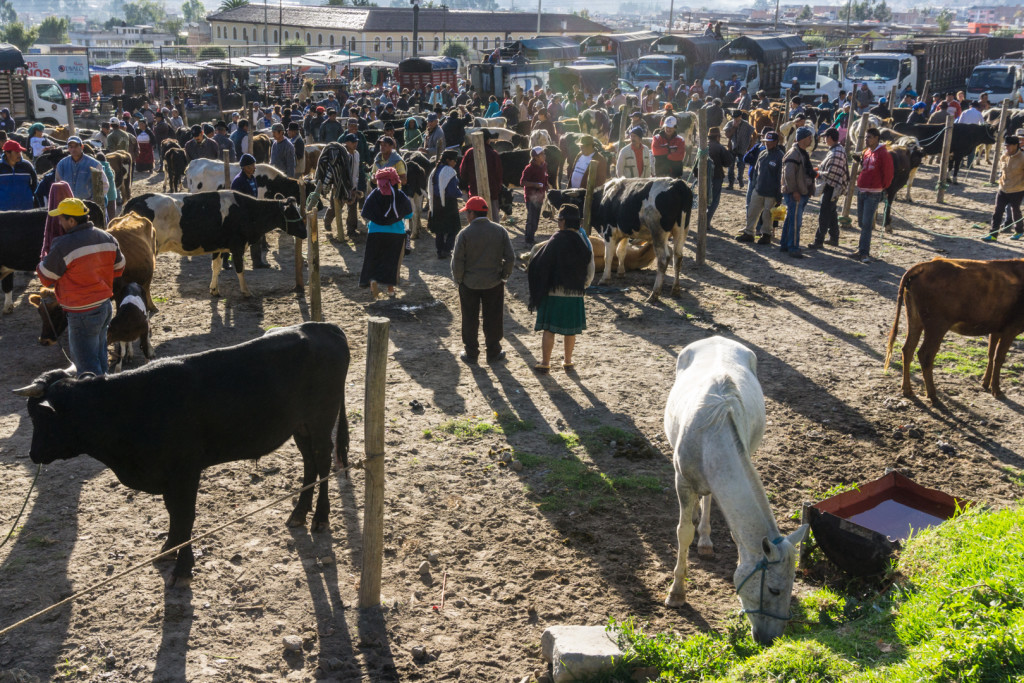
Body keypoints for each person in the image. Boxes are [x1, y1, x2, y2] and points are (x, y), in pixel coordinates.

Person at [36, 198, 125, 376]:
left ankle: (94, 401)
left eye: (61, 219)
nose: (59, 222)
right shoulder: (107, 237)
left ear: (72, 221)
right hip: (104, 306)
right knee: (100, 357)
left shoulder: (63, 245)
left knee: (86, 366)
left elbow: (46, 277)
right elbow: (120, 268)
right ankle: (105, 393)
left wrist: (42, 262)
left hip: (81, 312)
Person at [527, 204, 594, 374]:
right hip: (575, 294)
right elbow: (590, 268)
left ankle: (545, 362)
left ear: (564, 221)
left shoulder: (556, 240)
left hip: (554, 293)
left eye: (559, 220)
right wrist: (581, 287)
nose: (558, 223)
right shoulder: (584, 241)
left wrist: (542, 285)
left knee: (549, 328)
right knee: (570, 330)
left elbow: (540, 263)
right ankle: (568, 361)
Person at [450, 195, 514, 365]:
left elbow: (457, 261)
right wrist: (504, 276)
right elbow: (510, 257)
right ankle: (493, 352)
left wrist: (459, 280)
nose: (466, 216)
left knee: (470, 318)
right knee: (493, 318)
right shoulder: (500, 231)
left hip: (469, 284)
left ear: (472, 214)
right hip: (493, 283)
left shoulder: (464, 234)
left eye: (467, 213)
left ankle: (471, 353)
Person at [360, 167, 412, 299]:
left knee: (374, 259)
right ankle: (390, 290)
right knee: (391, 261)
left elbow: (365, 212)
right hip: (396, 234)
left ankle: (373, 282)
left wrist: (372, 223)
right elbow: (409, 214)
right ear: (395, 180)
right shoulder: (399, 195)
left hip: (375, 232)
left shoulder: (374, 194)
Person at [851, 127, 894, 262]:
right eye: (866, 137)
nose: (866, 139)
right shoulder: (867, 152)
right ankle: (861, 248)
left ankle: (864, 253)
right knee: (861, 221)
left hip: (873, 192)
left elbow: (888, 173)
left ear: (876, 138)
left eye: (869, 137)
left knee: (867, 222)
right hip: (862, 190)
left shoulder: (883, 154)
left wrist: (883, 187)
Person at [737, 130, 783, 245]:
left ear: (776, 142)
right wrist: (754, 186)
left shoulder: (780, 157)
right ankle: (749, 233)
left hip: (771, 192)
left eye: (770, 141)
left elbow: (780, 177)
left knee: (767, 215)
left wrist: (778, 195)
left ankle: (766, 235)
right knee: (752, 211)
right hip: (758, 189)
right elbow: (756, 172)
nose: (767, 143)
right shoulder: (762, 154)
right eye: (766, 141)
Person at [779, 126, 816, 258]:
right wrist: (795, 191)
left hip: (799, 191)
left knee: (791, 219)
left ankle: (784, 244)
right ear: (803, 139)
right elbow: (789, 175)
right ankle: (793, 247)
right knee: (795, 221)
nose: (811, 139)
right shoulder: (794, 153)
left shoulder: (800, 152)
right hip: (795, 192)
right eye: (809, 137)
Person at [809, 128, 847, 249]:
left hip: (831, 186)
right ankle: (834, 238)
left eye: (825, 137)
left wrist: (817, 173)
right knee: (831, 212)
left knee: (824, 213)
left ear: (830, 138)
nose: (824, 139)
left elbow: (831, 174)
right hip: (834, 186)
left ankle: (818, 240)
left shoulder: (836, 152)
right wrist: (818, 169)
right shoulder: (837, 150)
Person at [229, 154, 269, 269]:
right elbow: (236, 200)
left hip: (252, 213)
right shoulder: (238, 181)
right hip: (242, 214)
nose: (254, 167)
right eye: (252, 165)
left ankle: (257, 261)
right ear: (245, 167)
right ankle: (231, 261)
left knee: (257, 236)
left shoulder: (252, 178)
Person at [984, 135, 1024, 241]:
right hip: (1003, 189)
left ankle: (1019, 231)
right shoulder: (1004, 156)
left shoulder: (1022, 158)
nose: (1007, 148)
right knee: (997, 211)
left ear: (1016, 145)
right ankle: (993, 234)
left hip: (1017, 190)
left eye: (1009, 146)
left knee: (1015, 211)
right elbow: (1002, 172)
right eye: (1006, 146)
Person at [458, 131, 503, 222]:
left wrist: (469, 184)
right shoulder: (493, 154)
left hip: (474, 191)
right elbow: (499, 174)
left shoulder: (469, 153)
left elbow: (463, 173)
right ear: (488, 140)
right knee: (493, 218)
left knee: (474, 217)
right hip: (492, 191)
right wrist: (497, 189)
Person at [427, 149, 463, 258]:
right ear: (448, 160)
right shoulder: (449, 171)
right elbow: (452, 191)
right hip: (449, 203)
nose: (455, 163)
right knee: (455, 228)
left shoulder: (435, 170)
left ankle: (439, 250)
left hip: (436, 202)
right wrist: (460, 193)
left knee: (440, 229)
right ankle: (447, 249)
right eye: (454, 160)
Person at [55, 137, 108, 202]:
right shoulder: (61, 164)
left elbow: (104, 185)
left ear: (82, 147)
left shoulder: (94, 164)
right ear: (68, 148)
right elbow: (58, 184)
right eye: (71, 147)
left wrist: (94, 201)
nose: (73, 149)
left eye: (76, 146)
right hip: (68, 204)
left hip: (87, 204)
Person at [520, 146, 549, 245]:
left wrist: (546, 187)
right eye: (542, 154)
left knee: (536, 218)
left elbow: (545, 178)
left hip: (540, 197)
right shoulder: (529, 168)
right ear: (536, 157)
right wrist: (535, 185)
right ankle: (528, 240)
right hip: (530, 197)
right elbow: (522, 182)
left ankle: (531, 237)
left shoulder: (544, 165)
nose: (544, 155)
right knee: (531, 218)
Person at [705, 127, 733, 225]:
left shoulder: (703, 147)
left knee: (704, 198)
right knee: (714, 200)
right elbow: (728, 163)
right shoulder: (720, 147)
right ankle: (707, 221)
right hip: (716, 176)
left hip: (703, 178)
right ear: (718, 137)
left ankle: (703, 220)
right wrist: (729, 151)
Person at [0, 139, 37, 210]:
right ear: (7, 153)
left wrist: (30, 196)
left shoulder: (27, 166)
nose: (19, 154)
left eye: (20, 152)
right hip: (4, 210)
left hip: (26, 208)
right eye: (16, 152)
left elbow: (35, 184)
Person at [723, 110, 754, 190]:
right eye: (734, 117)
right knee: (731, 167)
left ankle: (740, 178)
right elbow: (727, 135)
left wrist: (749, 145)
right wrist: (734, 127)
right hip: (731, 147)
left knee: (741, 165)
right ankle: (731, 184)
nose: (735, 119)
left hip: (742, 148)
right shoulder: (730, 124)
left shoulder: (746, 125)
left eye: (737, 117)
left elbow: (752, 133)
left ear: (740, 117)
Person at [95, 152, 118, 223]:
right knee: (112, 217)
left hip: (104, 196)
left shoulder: (98, 167)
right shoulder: (109, 168)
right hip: (112, 195)